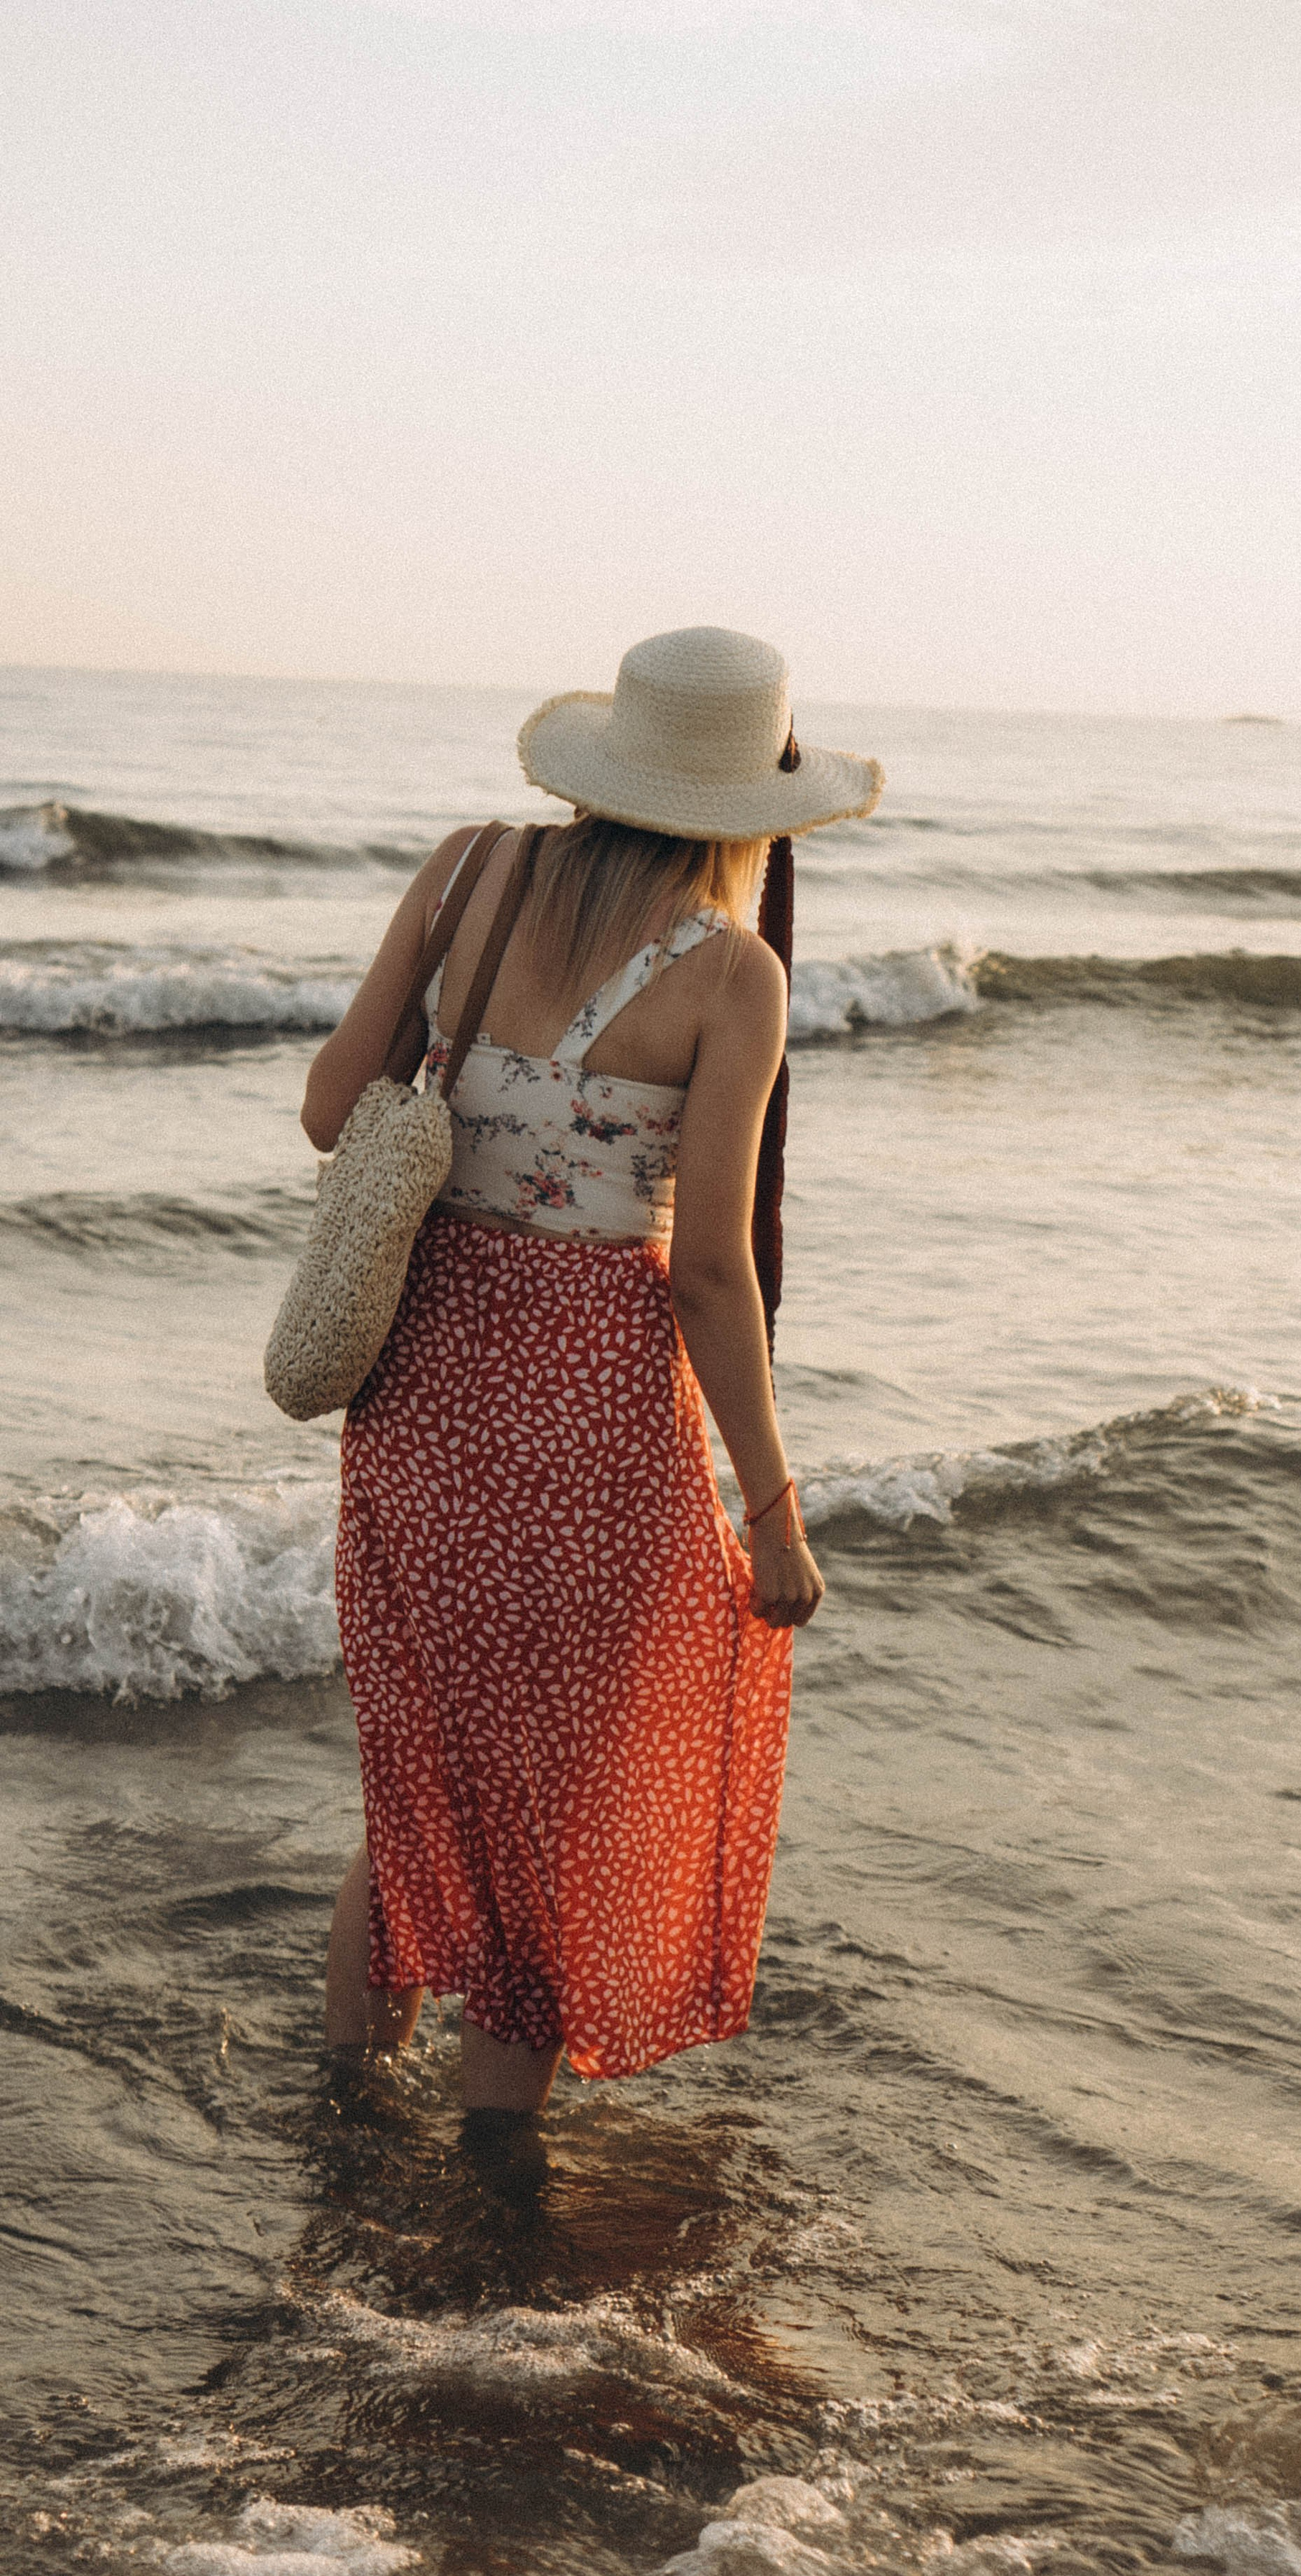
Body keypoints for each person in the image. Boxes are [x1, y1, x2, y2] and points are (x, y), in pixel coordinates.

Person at [300, 627, 883, 2138]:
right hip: (590, 1408)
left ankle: (347, 2132)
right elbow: (704, 1273)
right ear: (748, 809)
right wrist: (772, 1510)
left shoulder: (464, 870)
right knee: (561, 1802)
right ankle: (494, 2202)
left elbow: (328, 1109)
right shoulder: (730, 973)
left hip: (421, 1379)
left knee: (422, 1774)